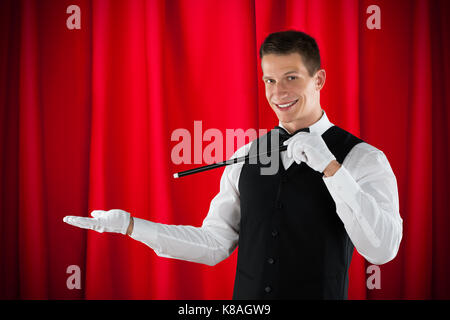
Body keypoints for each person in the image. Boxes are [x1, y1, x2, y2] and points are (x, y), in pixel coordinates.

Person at [64, 30, 403, 300]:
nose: (278, 92)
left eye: (291, 78)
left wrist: (332, 169)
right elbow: (214, 244)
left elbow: (382, 249)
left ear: (319, 80)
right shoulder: (246, 155)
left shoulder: (362, 157)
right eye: (269, 80)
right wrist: (131, 226)